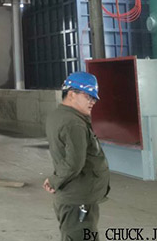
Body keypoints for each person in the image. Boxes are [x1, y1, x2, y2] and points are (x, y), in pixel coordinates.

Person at [44, 71, 110, 241]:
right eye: (88, 96)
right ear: (72, 94)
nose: (93, 102)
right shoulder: (74, 123)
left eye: (94, 98)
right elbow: (74, 163)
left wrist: (55, 179)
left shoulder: (59, 115)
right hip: (77, 199)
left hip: (74, 197)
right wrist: (54, 181)